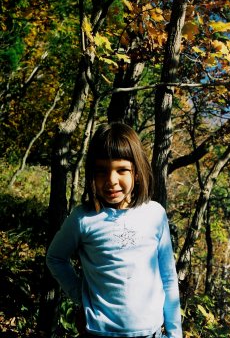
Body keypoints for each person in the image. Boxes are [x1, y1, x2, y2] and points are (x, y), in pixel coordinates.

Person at [46, 122, 183, 338]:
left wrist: (175, 333)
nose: (111, 180)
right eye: (101, 171)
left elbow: (168, 277)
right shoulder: (83, 218)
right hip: (98, 332)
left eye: (122, 170)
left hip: (151, 333)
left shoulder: (155, 214)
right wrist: (82, 296)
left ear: (137, 173)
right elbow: (55, 257)